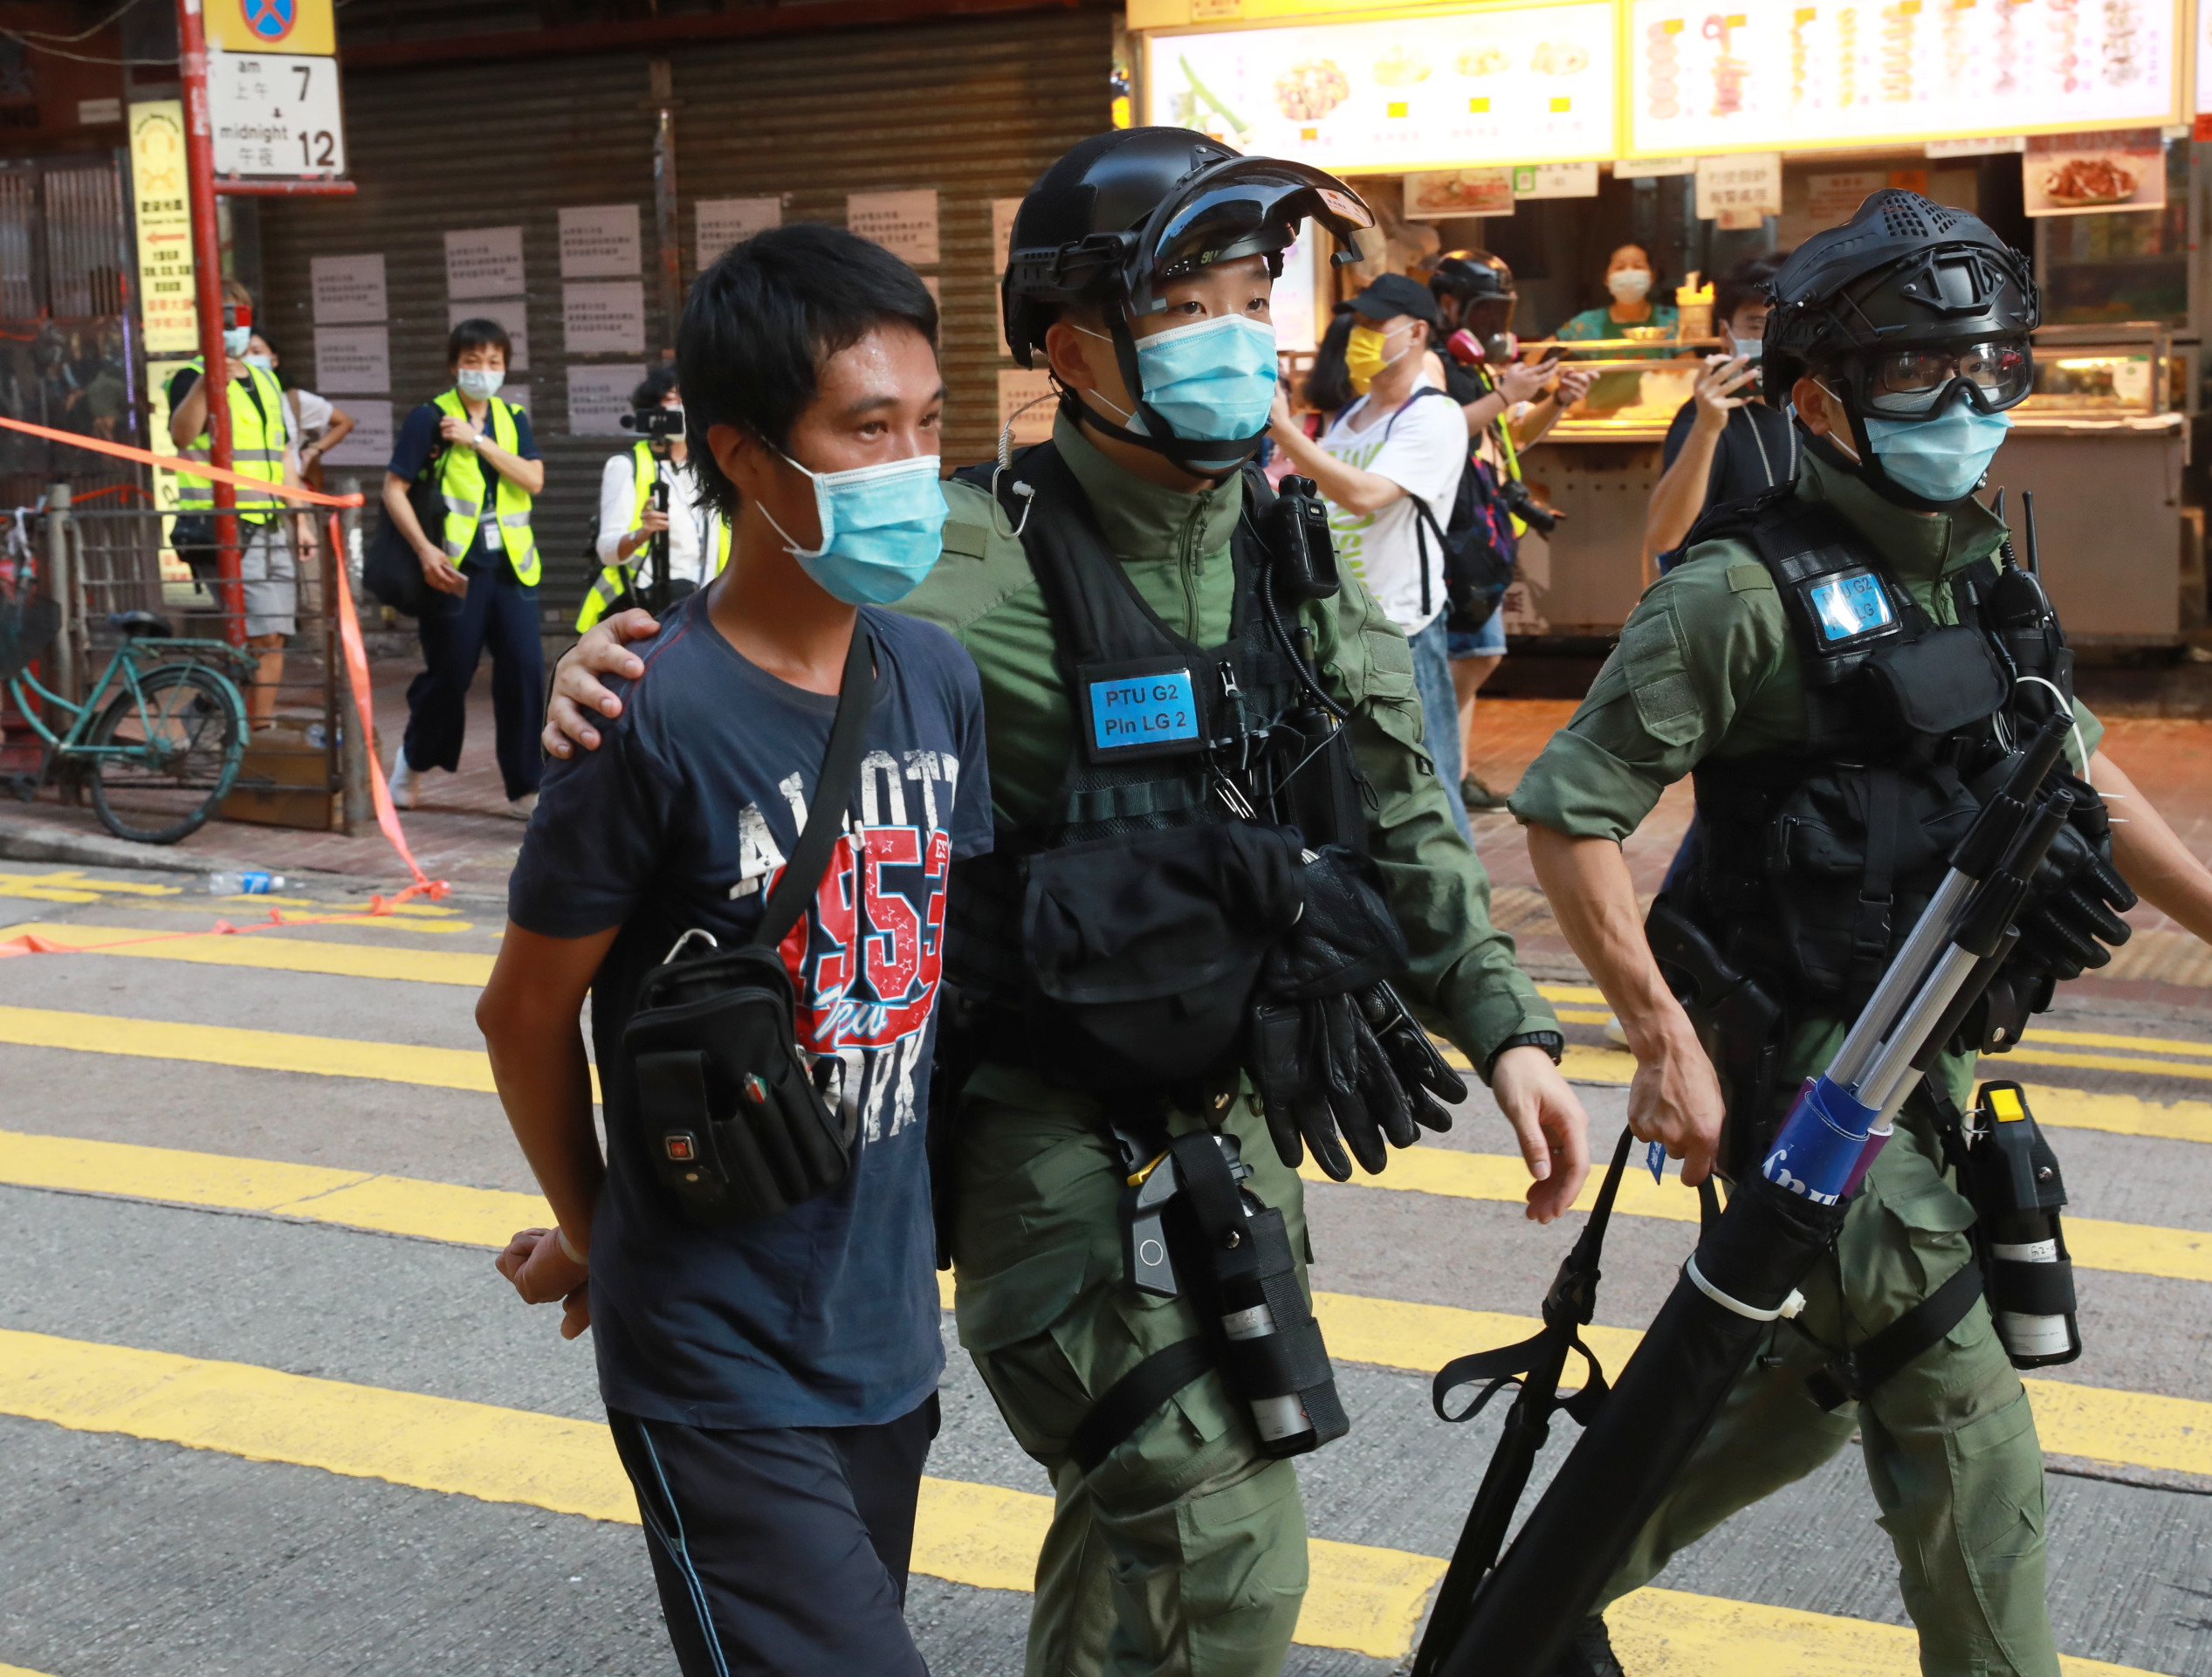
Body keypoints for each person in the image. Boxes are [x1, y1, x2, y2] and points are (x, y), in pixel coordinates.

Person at [546, 128, 1594, 1677]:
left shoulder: (1292, 549)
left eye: (1253, 291)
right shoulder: (961, 557)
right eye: (1185, 303)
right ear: (1066, 345)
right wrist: (603, 669)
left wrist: (1507, 1033)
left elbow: (1396, 809)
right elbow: (742, 704)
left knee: (1138, 1541)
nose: (1237, 333)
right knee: (1217, 1542)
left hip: (1231, 1132)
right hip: (1040, 1147)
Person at [1508, 190, 2212, 1677]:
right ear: (1818, 395)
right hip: (1808, 1088)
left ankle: (1526, 1614)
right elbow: (1567, 813)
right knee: (1963, 1424)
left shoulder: (1964, 560)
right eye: (1918, 370)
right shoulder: (1729, 595)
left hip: (1927, 1065)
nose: (1966, 402)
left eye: (1991, 367)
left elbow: (2073, 759)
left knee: (1807, 1378)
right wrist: (1656, 1039)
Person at [476, 223, 989, 1676]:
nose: (910, 465)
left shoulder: (933, 679)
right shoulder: (643, 712)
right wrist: (598, 1229)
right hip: (714, 1349)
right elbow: (521, 1017)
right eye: (865, 428)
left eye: (926, 424)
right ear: (752, 458)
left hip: (883, 1330)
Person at [1266, 271, 1476, 840]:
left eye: (1376, 325)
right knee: (1363, 785)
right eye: (1357, 323)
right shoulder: (1353, 416)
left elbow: (1365, 494)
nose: (1362, 335)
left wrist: (1286, 433)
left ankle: (1461, 917)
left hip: (1403, 631)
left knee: (1425, 783)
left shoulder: (1434, 416)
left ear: (1416, 333)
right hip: (1343, 629)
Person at [1426, 251, 1594, 811]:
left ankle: (1454, 766)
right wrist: (1509, 394)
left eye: (1503, 311)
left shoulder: (1474, 365)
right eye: (1486, 311)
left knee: (1476, 652)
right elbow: (1445, 433)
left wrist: (1555, 402)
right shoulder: (1436, 366)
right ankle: (1437, 761)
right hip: (1453, 532)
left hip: (1486, 529)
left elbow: (1506, 439)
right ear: (1449, 305)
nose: (1496, 325)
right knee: (1474, 652)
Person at [379, 319, 546, 818]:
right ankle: (411, 759)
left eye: (493, 362)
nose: (483, 371)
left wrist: (478, 442)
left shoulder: (512, 418)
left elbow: (534, 480)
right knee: (451, 673)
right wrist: (426, 551)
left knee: (524, 670)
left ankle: (525, 786)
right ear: (455, 365)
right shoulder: (428, 418)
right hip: (454, 569)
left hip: (513, 568)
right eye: (472, 361)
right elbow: (393, 489)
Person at [168, 279, 313, 731]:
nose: (233, 326)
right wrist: (207, 383)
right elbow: (181, 435)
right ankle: (245, 732)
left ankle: (230, 721)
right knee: (259, 634)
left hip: (269, 526)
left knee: (272, 636)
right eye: (222, 317)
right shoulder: (191, 377)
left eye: (239, 316)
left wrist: (302, 520)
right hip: (221, 529)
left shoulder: (268, 380)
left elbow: (283, 453)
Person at [1641, 252, 1795, 573]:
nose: (1771, 340)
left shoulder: (1811, 406)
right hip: (1732, 597)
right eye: (1757, 325)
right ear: (1726, 334)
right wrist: (1706, 429)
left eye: (1785, 325)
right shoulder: (1703, 418)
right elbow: (1664, 536)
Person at [576, 367, 727, 631]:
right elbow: (608, 551)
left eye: (687, 398)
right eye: (671, 399)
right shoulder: (626, 466)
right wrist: (642, 534)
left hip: (709, 607)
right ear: (651, 410)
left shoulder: (712, 467)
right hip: (651, 609)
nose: (681, 407)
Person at [245, 331, 355, 491]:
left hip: (289, 490)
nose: (249, 359)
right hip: (248, 491)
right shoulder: (230, 397)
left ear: (274, 359)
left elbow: (344, 422)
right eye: (242, 353)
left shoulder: (292, 400)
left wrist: (313, 451)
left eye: (256, 352)